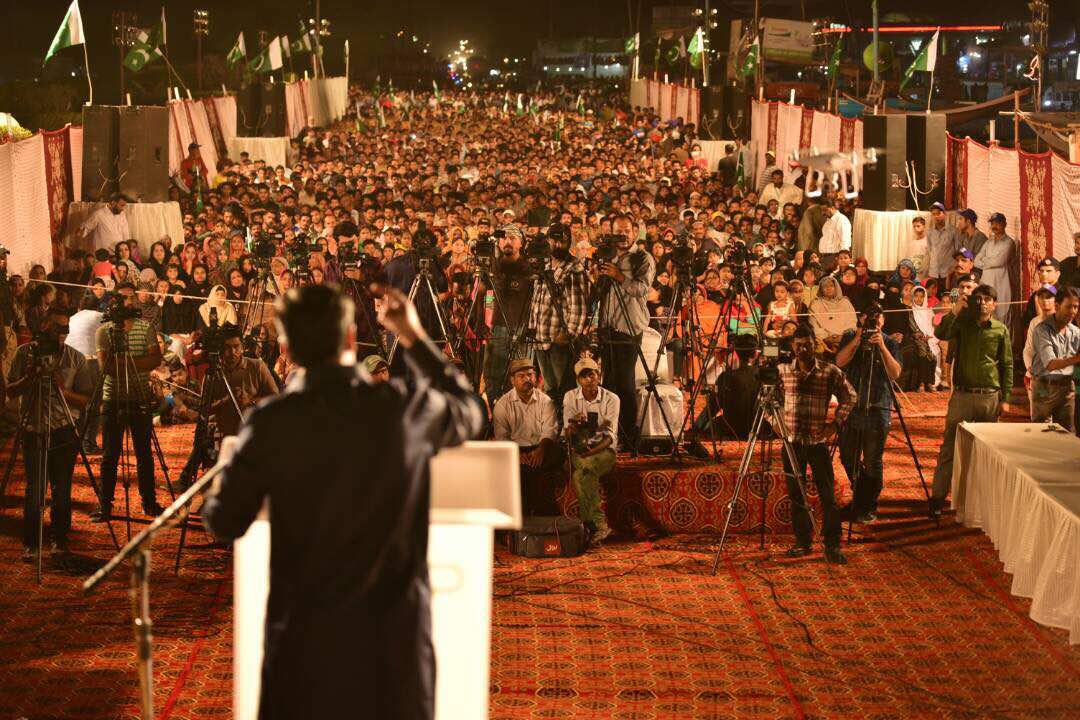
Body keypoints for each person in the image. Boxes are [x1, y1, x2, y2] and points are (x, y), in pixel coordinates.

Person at [202, 284, 483, 720]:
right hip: (392, 648)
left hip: (304, 648)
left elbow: (224, 522)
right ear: (351, 339)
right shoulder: (402, 409)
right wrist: (412, 336)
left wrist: (232, 468)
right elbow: (469, 408)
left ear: (287, 348)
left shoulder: (271, 424)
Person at [7, 307, 93, 559]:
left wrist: (62, 391)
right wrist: (29, 379)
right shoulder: (25, 354)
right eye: (56, 328)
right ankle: (32, 544)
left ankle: (59, 540)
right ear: (44, 325)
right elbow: (10, 391)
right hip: (33, 427)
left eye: (65, 330)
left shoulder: (75, 358)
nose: (60, 335)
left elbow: (85, 400)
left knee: (62, 489)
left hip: (63, 428)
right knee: (34, 490)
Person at [930, 284, 1013, 517]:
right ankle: (937, 498)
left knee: (986, 452)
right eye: (979, 299)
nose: (983, 303)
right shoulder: (962, 325)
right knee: (949, 448)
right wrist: (956, 310)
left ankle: (983, 500)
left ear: (994, 304)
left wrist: (1005, 398)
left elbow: (1007, 364)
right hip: (962, 396)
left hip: (989, 397)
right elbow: (941, 333)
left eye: (988, 299)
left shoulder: (1000, 330)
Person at [777, 326, 855, 564]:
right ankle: (803, 542)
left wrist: (835, 424)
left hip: (817, 442)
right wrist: (777, 424)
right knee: (796, 494)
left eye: (807, 345)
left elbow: (850, 396)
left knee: (827, 495)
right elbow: (766, 399)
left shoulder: (829, 371)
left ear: (815, 344)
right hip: (791, 443)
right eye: (798, 345)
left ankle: (832, 544)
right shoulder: (781, 371)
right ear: (792, 346)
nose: (802, 350)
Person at [93, 283, 164, 520]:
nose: (130, 302)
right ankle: (105, 503)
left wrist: (124, 363)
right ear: (115, 302)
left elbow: (155, 360)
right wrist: (136, 362)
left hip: (139, 396)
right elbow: (107, 368)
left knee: (144, 453)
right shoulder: (105, 331)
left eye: (132, 297)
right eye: (125, 298)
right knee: (110, 454)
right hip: (113, 398)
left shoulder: (146, 328)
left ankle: (149, 501)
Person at [834, 304, 902, 523]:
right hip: (852, 406)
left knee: (873, 460)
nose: (874, 320)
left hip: (878, 406)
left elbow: (895, 373)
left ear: (883, 320)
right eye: (869, 316)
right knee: (847, 455)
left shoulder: (890, 341)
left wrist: (881, 346)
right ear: (861, 318)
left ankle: (868, 505)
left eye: (878, 316)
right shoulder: (849, 336)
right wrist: (858, 339)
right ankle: (862, 497)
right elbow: (839, 362)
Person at [596, 214, 655, 448]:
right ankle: (610, 433)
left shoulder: (643, 258)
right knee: (608, 382)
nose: (623, 235)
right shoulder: (608, 256)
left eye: (627, 231)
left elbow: (642, 290)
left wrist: (619, 276)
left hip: (629, 326)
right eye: (618, 231)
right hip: (607, 326)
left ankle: (629, 435)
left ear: (635, 232)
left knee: (625, 384)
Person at [529, 224, 590, 416]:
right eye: (554, 240)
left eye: (562, 240)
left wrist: (568, 334)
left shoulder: (574, 267)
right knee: (549, 390)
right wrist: (532, 328)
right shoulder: (544, 264)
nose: (558, 244)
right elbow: (536, 300)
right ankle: (551, 429)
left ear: (568, 241)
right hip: (541, 337)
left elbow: (579, 306)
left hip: (559, 338)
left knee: (565, 390)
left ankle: (567, 432)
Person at [492, 358, 563, 516]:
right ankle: (541, 514)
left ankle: (538, 517)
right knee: (526, 470)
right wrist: (517, 454)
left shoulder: (546, 401)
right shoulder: (503, 404)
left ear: (535, 377)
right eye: (521, 376)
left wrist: (541, 450)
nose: (527, 379)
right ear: (512, 380)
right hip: (516, 449)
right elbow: (502, 436)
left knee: (555, 453)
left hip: (541, 448)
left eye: (530, 375)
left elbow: (549, 431)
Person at [562, 357, 619, 546]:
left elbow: (610, 437)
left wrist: (590, 451)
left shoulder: (611, 399)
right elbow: (567, 434)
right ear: (578, 380)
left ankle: (593, 524)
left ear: (599, 375)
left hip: (603, 450)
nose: (588, 379)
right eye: (583, 376)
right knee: (580, 476)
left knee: (584, 470)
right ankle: (597, 526)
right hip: (580, 447)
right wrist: (574, 426)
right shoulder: (570, 397)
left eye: (592, 374)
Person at [481, 226, 534, 407]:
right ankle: (497, 411)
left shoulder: (528, 267)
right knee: (494, 374)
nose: (507, 242)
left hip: (522, 327)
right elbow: (481, 293)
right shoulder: (493, 265)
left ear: (521, 242)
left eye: (512, 238)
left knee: (521, 374)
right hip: (497, 326)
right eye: (503, 238)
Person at [209, 328, 279, 437]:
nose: (232, 352)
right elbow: (205, 410)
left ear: (243, 347)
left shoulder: (257, 366)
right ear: (221, 349)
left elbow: (275, 398)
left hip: (253, 432)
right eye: (227, 347)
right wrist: (225, 400)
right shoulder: (214, 371)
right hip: (224, 435)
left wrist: (251, 402)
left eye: (236, 346)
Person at [1028, 287, 1080, 431]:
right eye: (1069, 306)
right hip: (1044, 386)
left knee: (1067, 434)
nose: (1073, 311)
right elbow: (1050, 364)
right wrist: (1077, 358)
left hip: (1067, 388)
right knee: (1041, 432)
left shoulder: (1075, 332)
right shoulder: (1042, 330)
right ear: (1057, 306)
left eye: (1076, 307)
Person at [973, 212, 1015, 324]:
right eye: (992, 223)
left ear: (1005, 224)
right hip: (986, 282)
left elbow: (1000, 261)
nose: (994, 226)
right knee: (984, 314)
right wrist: (990, 262)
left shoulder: (1009, 242)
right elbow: (976, 261)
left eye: (998, 223)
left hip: (1001, 284)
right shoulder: (988, 242)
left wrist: (985, 260)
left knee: (1001, 316)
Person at [809, 275, 856, 355]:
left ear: (836, 287)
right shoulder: (815, 304)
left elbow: (852, 322)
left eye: (831, 286)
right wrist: (826, 338)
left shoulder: (845, 302)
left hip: (846, 339)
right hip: (825, 340)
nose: (828, 288)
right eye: (825, 286)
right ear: (821, 289)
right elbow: (814, 324)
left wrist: (842, 337)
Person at [925, 202, 958, 284]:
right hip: (933, 273)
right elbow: (929, 251)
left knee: (949, 295)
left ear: (945, 214)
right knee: (934, 296)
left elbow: (957, 251)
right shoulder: (930, 232)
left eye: (938, 213)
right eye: (933, 214)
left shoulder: (953, 231)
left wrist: (954, 268)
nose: (936, 216)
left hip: (948, 273)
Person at [817, 200, 851, 273]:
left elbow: (845, 241)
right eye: (821, 210)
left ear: (832, 207)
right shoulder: (828, 222)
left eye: (825, 210)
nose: (823, 213)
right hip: (824, 258)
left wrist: (842, 260)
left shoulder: (841, 220)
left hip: (834, 258)